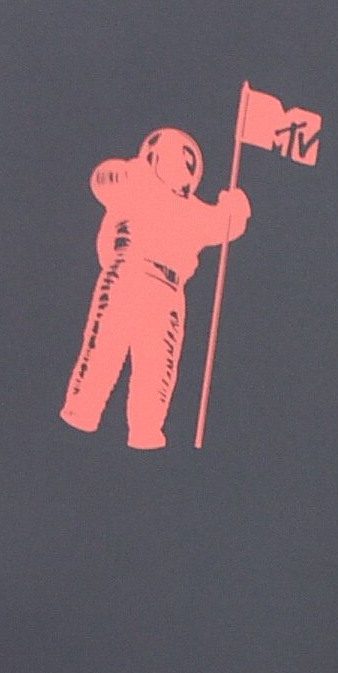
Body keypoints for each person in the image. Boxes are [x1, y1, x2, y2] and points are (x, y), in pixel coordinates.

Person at [59, 128, 249, 450]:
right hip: (128, 272)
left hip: (168, 291)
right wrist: (133, 171)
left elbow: (224, 225)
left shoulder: (192, 211)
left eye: (189, 162)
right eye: (178, 157)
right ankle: (82, 412)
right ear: (156, 155)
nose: (184, 167)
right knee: (104, 347)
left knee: (157, 366)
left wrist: (235, 208)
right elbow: (102, 179)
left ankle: (146, 431)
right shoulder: (134, 183)